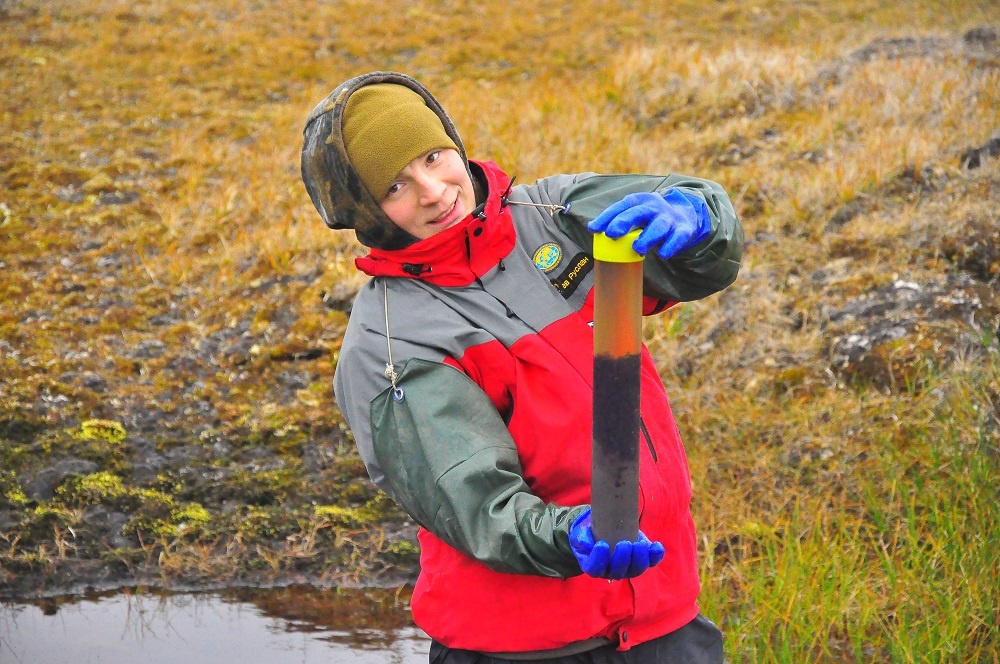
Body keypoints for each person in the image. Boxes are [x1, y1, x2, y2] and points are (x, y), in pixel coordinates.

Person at [300, 71, 743, 663]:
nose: (434, 191)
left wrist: (701, 222)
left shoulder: (556, 215)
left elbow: (701, 254)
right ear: (366, 212)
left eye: (434, 157)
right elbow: (478, 506)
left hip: (662, 620)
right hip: (521, 646)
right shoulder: (390, 342)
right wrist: (570, 536)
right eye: (396, 187)